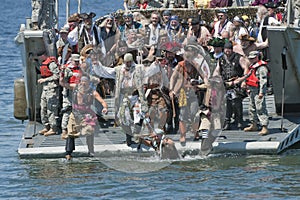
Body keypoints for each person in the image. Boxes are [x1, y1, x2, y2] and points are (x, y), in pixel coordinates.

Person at [91, 53, 148, 146]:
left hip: (136, 96)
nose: (128, 64)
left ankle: (137, 136)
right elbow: (106, 72)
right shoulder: (119, 70)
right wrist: (97, 65)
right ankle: (129, 138)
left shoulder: (139, 68)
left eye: (130, 62)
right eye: (127, 62)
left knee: (139, 114)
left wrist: (156, 64)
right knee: (123, 117)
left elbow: (149, 71)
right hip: (124, 96)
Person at [65, 76, 108, 160]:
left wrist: (105, 108)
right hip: (75, 113)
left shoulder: (92, 92)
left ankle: (91, 151)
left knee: (89, 132)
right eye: (82, 81)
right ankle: (68, 153)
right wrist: (62, 74)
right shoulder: (75, 87)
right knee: (70, 132)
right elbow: (63, 83)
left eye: (85, 82)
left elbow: (102, 101)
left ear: (88, 83)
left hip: (86, 114)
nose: (83, 83)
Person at [212, 40, 248, 130]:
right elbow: (217, 70)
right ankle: (227, 122)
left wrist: (243, 81)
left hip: (237, 83)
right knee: (226, 102)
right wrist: (214, 78)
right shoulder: (221, 59)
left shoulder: (238, 57)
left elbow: (245, 68)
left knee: (236, 101)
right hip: (225, 83)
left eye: (229, 49)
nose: (227, 51)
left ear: (232, 49)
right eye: (226, 50)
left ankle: (239, 120)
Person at [244, 51, 269, 135]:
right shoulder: (252, 66)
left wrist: (262, 92)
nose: (251, 60)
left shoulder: (261, 68)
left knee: (260, 108)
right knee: (251, 108)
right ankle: (253, 124)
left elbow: (263, 81)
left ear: (258, 57)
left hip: (258, 91)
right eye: (250, 58)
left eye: (253, 58)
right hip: (252, 90)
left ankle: (264, 127)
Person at [59, 54, 82, 140]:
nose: (76, 63)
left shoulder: (80, 69)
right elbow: (61, 82)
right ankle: (64, 131)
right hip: (69, 92)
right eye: (75, 61)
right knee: (67, 111)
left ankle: (74, 129)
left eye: (77, 61)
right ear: (71, 61)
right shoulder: (67, 69)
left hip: (78, 93)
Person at [37, 55, 60, 136]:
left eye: (39, 56)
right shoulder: (43, 63)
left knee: (51, 109)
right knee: (43, 107)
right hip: (45, 88)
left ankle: (53, 128)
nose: (38, 58)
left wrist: (45, 80)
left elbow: (57, 75)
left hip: (52, 88)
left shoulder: (51, 64)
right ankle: (46, 126)